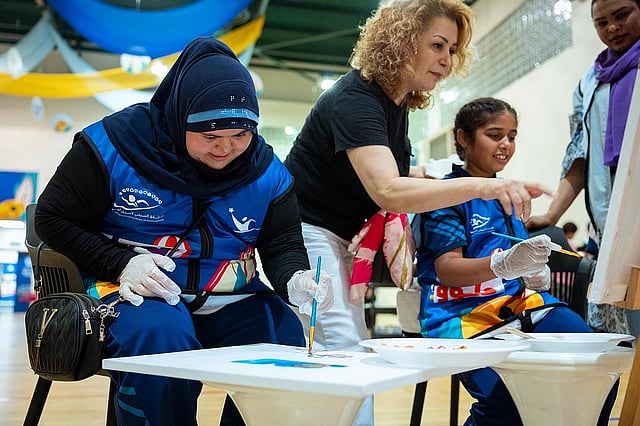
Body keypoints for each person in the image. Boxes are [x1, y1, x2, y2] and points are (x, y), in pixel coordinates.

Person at [34, 36, 333, 426]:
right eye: (210, 137)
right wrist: (121, 264)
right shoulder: (113, 146)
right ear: (180, 118)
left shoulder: (266, 172)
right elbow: (52, 218)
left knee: (283, 335)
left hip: (227, 299)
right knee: (161, 337)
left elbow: (281, 241)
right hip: (134, 293)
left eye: (241, 136)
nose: (226, 149)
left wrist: (295, 277)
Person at [284, 1, 550, 423]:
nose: (446, 60)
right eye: (437, 45)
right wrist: (485, 185)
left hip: (341, 234)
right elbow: (388, 190)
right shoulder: (356, 100)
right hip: (307, 231)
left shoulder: (395, 104)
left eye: (452, 50)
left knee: (342, 348)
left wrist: (425, 176)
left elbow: (384, 174)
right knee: (343, 348)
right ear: (402, 42)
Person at [415, 97, 618, 426]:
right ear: (464, 138)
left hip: (520, 304)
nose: (506, 145)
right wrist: (504, 264)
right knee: (507, 399)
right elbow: (448, 271)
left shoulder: (510, 194)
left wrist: (534, 272)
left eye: (512, 136)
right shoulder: (446, 194)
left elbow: (519, 263)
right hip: (461, 315)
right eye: (494, 135)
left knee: (600, 369)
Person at [526, 0, 640, 339]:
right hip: (612, 227)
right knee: (626, 334)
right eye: (601, 22)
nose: (613, 28)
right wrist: (551, 215)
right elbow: (581, 155)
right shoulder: (589, 83)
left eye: (622, 15)